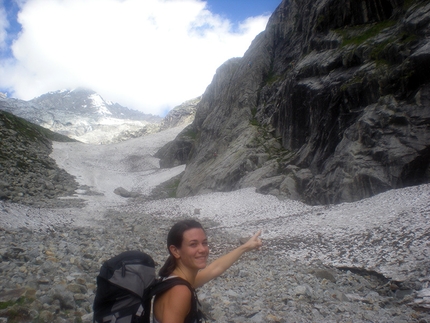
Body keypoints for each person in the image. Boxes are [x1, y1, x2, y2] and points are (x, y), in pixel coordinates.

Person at [153, 219, 262, 323]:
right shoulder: (179, 291)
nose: (203, 249)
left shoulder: (176, 280)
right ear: (175, 251)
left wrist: (245, 247)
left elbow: (215, 269)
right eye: (193, 244)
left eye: (204, 243)